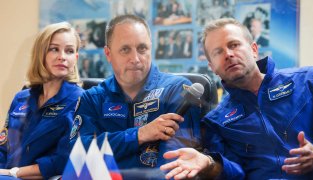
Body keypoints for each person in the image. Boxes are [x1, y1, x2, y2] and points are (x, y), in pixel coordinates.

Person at [160, 18, 313, 179]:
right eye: (218, 52)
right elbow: (236, 174)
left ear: (254, 50)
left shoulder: (310, 80)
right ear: (212, 67)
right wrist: (209, 163)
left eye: (234, 45)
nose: (228, 54)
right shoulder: (216, 122)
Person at [70, 14, 201, 178]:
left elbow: (177, 162)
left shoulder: (177, 91)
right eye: (125, 50)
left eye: (142, 48)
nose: (135, 59)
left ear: (151, 48)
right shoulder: (92, 98)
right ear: (108, 54)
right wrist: (139, 135)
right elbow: (79, 153)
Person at [0, 22, 83, 179]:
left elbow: (64, 160)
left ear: (76, 58)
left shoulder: (81, 101)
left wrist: (13, 173)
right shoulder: (20, 98)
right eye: (54, 49)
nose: (62, 57)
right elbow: (3, 147)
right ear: (40, 54)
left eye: (69, 51)